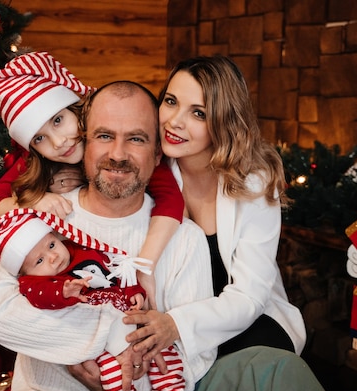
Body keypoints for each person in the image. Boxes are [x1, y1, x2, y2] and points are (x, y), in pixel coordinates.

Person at [0, 79, 341, 391]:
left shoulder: (183, 237)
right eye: (105, 136)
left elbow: (197, 355)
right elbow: (0, 317)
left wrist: (135, 370)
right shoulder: (42, 219)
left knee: (278, 370)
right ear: (84, 144)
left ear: (158, 155)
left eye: (136, 139)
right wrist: (85, 351)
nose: (118, 154)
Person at [125, 55, 306, 358]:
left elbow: (250, 295)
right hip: (168, 322)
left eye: (198, 113)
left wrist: (177, 325)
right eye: (170, 101)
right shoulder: (147, 170)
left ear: (224, 120)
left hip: (247, 319)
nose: (174, 121)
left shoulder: (254, 183)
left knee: (266, 365)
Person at [0, 51, 185, 307]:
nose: (58, 142)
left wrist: (145, 267)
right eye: (39, 138)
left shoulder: (125, 152)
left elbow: (171, 198)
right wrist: (33, 201)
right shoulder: (36, 162)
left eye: (59, 120)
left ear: (78, 110)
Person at [0, 208, 195, 391]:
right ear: (24, 273)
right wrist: (62, 292)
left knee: (164, 352)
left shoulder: (81, 251)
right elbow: (41, 297)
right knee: (114, 373)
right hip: (102, 342)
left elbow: (116, 274)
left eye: (51, 245)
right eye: (39, 261)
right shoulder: (34, 283)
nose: (52, 257)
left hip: (128, 316)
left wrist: (135, 292)